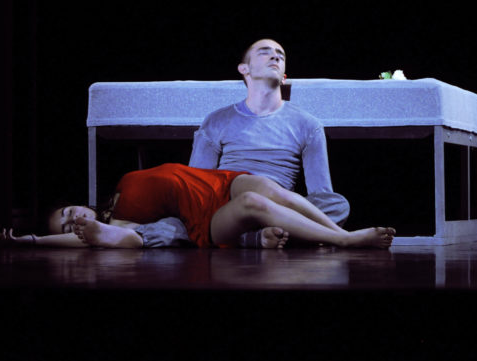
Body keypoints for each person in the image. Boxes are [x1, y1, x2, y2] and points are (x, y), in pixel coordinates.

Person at [134, 38, 352, 248]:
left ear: (284, 77)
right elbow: (195, 185)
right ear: (244, 69)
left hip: (278, 208)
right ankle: (255, 238)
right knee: (172, 225)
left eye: (280, 55)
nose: (275, 56)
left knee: (336, 205)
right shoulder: (217, 120)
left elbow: (321, 193)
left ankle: (251, 238)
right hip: (227, 208)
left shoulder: (308, 124)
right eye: (265, 52)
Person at [2, 163, 395, 249]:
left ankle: (337, 232)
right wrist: (33, 241)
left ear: (75, 204)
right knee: (255, 201)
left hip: (219, 182)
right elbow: (86, 241)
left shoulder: (119, 186)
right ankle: (346, 240)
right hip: (205, 220)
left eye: (68, 213)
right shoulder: (118, 222)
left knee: (267, 186)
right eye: (67, 225)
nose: (73, 220)